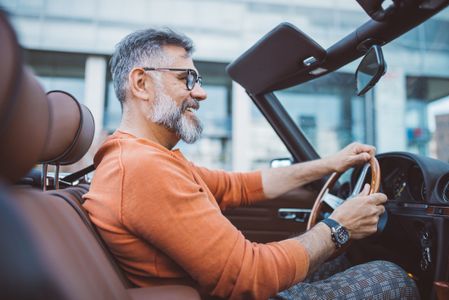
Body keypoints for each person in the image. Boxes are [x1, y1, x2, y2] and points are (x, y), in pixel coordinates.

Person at [83, 28, 419, 299]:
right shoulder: (142, 167)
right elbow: (248, 276)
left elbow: (238, 187)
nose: (200, 94)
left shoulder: (151, 157)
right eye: (187, 79)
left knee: (346, 257)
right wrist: (338, 227)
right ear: (141, 84)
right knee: (391, 277)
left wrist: (329, 164)